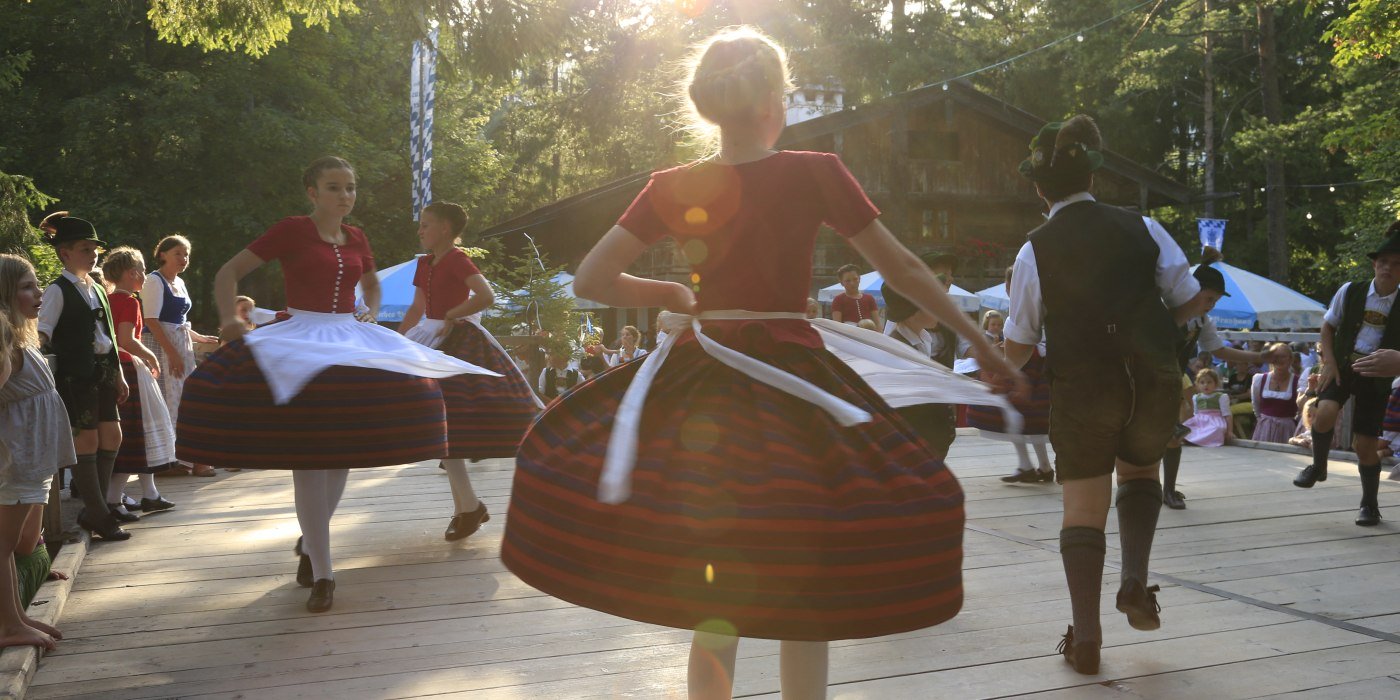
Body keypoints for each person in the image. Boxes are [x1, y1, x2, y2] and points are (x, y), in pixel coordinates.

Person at [499, 27, 1024, 699]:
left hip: (701, 387)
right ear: (775, 100)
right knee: (807, 563)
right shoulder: (814, 172)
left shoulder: (672, 183)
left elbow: (591, 280)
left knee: (715, 576)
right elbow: (904, 267)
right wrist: (979, 345)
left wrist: (672, 294)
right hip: (794, 384)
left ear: (708, 105)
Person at [175, 156, 497, 612]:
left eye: (350, 187)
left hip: (347, 337)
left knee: (343, 447)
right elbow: (228, 272)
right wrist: (229, 320)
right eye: (334, 187)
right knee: (309, 456)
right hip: (302, 336)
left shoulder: (358, 236)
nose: (344, 195)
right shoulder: (291, 229)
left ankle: (311, 546)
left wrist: (368, 308)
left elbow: (369, 284)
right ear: (312, 192)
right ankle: (324, 573)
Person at [1002, 115, 1209, 675]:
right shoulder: (1144, 228)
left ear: (1038, 187)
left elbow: (1020, 343)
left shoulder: (1033, 250)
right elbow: (1191, 300)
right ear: (1091, 177)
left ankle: (1087, 639)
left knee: (1083, 509)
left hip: (1082, 386)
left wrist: (986, 372)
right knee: (1139, 475)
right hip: (1150, 381)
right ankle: (1136, 580)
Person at [397, 201, 542, 541]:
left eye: (426, 224)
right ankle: (468, 508)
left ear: (445, 229)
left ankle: (468, 508)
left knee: (451, 425)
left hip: (458, 341)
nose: (420, 230)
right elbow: (418, 307)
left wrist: (451, 315)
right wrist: (397, 341)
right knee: (445, 428)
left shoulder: (457, 259)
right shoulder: (424, 264)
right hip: (428, 339)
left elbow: (486, 295)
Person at [1295, 222, 1400, 526]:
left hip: (1378, 375)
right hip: (1342, 366)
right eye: (1383, 262)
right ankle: (1318, 466)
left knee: (1364, 446)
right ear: (1373, 264)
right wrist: (1328, 362)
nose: (1388, 268)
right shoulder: (1350, 291)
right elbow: (1328, 326)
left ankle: (1369, 505)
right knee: (1323, 412)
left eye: (1396, 264)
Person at [35, 213, 131, 542]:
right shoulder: (57, 290)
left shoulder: (97, 288)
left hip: (103, 372)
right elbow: (42, 333)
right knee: (87, 441)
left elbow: (109, 337)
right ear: (65, 253)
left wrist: (117, 373)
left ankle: (94, 510)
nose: (92, 255)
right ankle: (101, 515)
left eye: (94, 249)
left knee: (113, 437)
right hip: (77, 378)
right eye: (85, 249)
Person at [0, 253, 75, 649]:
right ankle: (8, 626)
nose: (39, 291)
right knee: (3, 544)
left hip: (34, 459)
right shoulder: (5, 339)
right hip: (17, 459)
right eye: (27, 286)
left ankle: (17, 616)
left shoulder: (21, 335)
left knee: (24, 544)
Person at [1161, 252, 1271, 509]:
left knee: (1172, 435)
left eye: (1215, 300)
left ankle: (1167, 490)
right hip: (1145, 377)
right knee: (1155, 434)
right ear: (1191, 290)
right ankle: (1143, 487)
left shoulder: (1202, 320)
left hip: (1171, 379)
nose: (1211, 305)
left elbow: (1219, 350)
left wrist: (1261, 356)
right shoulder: (1163, 307)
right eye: (1209, 298)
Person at [101, 247, 177, 516]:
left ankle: (150, 493)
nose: (145, 275)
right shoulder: (130, 302)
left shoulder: (106, 299)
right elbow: (126, 340)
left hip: (112, 369)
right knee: (138, 433)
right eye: (143, 270)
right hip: (128, 368)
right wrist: (150, 356)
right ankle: (113, 499)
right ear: (132, 273)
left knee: (139, 433)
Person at [141, 235, 219, 477]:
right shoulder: (154, 281)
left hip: (180, 347)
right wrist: (172, 353)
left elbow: (180, 322)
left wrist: (199, 338)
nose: (184, 259)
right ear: (162, 254)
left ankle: (185, 458)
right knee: (168, 401)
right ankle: (169, 460)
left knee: (186, 401)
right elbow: (152, 320)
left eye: (186, 254)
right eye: (178, 253)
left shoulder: (180, 282)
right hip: (161, 348)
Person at [970, 267, 1053, 483]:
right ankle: (1041, 466)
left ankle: (1029, 465)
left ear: (1010, 286)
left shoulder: (1022, 304)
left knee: (1013, 410)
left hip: (1027, 362)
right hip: (1036, 362)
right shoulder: (1039, 300)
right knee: (1031, 416)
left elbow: (1022, 338)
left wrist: (1002, 368)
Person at [1251, 342, 1299, 444]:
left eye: (1283, 356)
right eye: (1275, 356)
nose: (1279, 360)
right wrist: (1265, 422)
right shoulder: (1259, 379)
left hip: (1287, 429)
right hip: (1264, 428)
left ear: (1290, 359)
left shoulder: (1298, 382)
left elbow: (1300, 410)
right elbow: (1256, 405)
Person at [1182, 368, 1232, 446]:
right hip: (1200, 421)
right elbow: (1196, 413)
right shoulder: (1196, 397)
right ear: (1197, 385)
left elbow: (1227, 415)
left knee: (1218, 429)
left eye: (1209, 382)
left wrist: (1229, 431)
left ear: (1215, 384)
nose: (1206, 385)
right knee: (1185, 427)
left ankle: (1200, 441)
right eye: (1202, 382)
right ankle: (1195, 440)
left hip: (1215, 421)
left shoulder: (1221, 397)